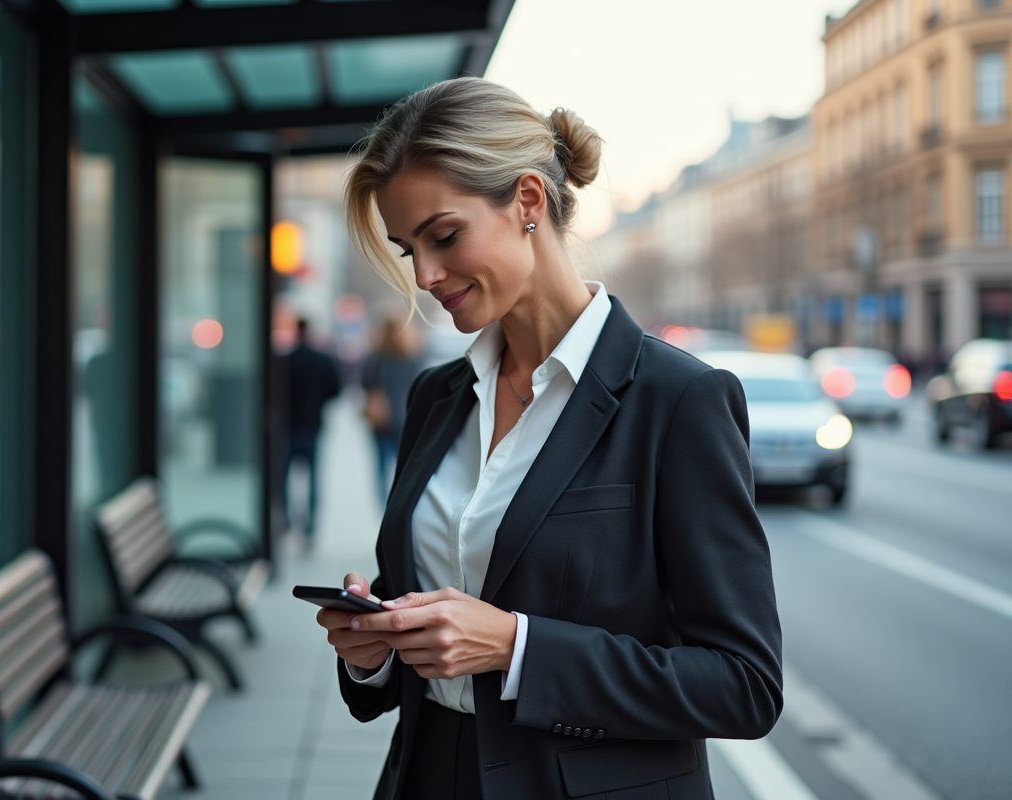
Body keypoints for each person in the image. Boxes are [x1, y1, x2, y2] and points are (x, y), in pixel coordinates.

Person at [314, 77, 782, 800]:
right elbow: (427, 638)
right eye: (409, 251)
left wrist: (515, 647)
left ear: (529, 201)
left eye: (444, 236)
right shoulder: (436, 396)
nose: (427, 275)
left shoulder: (678, 400)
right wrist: (374, 649)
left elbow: (744, 684)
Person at [281, 318, 342, 545]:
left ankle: (286, 521)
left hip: (288, 427)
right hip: (313, 426)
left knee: (282, 479)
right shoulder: (323, 360)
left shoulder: (285, 361)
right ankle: (310, 527)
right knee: (314, 480)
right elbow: (336, 390)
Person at [361, 314, 424, 501]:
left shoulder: (376, 358)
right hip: (406, 419)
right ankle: (401, 502)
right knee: (405, 467)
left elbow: (366, 383)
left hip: (382, 420)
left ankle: (384, 505)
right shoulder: (412, 358)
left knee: (381, 467)